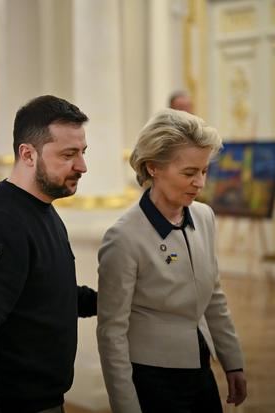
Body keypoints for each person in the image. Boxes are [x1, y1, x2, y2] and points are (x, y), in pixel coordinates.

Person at [0, 95, 98, 413]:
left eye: (83, 152)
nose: (82, 166)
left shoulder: (42, 209)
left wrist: (107, 300)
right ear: (28, 154)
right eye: (69, 154)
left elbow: (43, 293)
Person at [97, 109, 247, 413]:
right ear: (153, 168)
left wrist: (233, 363)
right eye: (189, 173)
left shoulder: (204, 217)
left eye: (204, 171)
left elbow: (214, 297)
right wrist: (125, 407)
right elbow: (111, 332)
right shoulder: (123, 237)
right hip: (152, 378)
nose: (200, 183)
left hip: (200, 368)